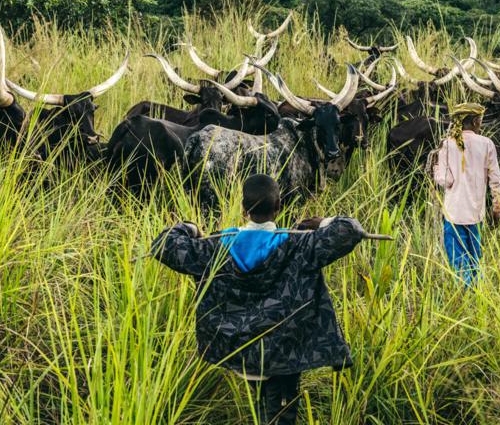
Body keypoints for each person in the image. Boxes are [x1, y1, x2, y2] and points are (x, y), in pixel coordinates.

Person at [151, 173, 367, 425]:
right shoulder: (299, 245)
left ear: (243, 209)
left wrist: (190, 227)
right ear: (278, 207)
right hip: (285, 351)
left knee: (265, 407)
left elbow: (164, 244)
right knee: (280, 411)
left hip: (239, 348)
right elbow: (350, 230)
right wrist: (322, 221)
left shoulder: (217, 248)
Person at [432, 102, 500, 285]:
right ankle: (476, 293)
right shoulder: (487, 144)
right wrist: (497, 207)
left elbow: (446, 181)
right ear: (473, 121)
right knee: (475, 257)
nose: (480, 124)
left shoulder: (447, 145)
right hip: (476, 214)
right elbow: (496, 180)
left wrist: (436, 167)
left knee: (458, 259)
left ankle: (464, 294)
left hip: (453, 214)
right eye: (479, 120)